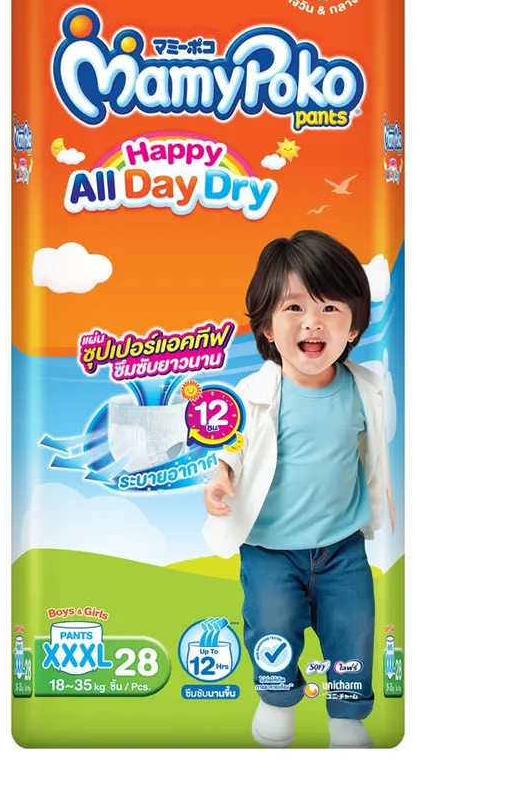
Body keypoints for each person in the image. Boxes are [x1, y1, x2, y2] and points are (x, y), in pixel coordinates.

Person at [202, 230, 394, 748]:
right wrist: (221, 479)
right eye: (294, 307)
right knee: (271, 627)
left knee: (353, 629)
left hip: (341, 547)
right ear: (267, 326)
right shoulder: (254, 393)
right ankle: (276, 700)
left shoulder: (366, 389)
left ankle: (347, 717)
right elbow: (231, 447)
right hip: (270, 549)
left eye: (330, 307)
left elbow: (375, 453)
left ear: (354, 326)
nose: (313, 322)